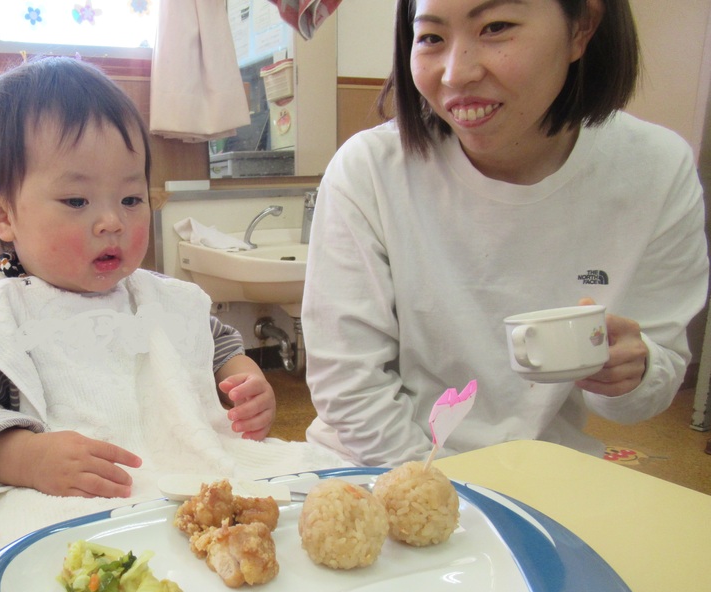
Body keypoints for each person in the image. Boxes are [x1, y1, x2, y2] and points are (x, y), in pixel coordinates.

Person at [0, 57, 342, 570]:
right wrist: (24, 457)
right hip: (73, 517)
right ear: (2, 214)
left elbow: (211, 339)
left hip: (187, 486)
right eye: (77, 200)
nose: (111, 222)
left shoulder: (156, 296)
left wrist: (243, 377)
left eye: (131, 198)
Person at [301, 0, 708, 467]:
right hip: (380, 466)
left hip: (539, 474)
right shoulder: (370, 169)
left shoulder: (654, 169)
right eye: (432, 37)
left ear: (582, 29)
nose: (456, 74)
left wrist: (632, 374)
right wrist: (448, 497)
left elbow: (652, 382)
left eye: (495, 27)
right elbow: (350, 387)